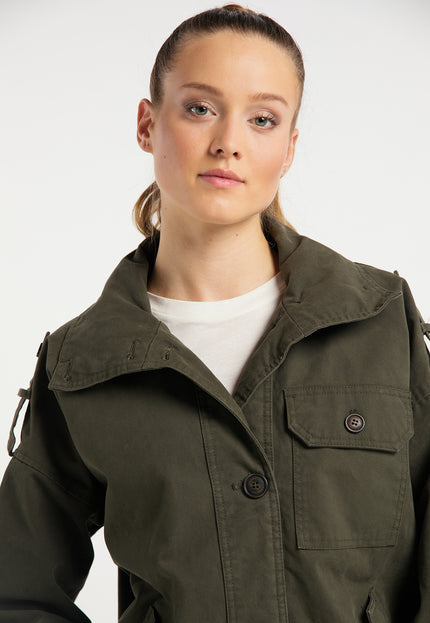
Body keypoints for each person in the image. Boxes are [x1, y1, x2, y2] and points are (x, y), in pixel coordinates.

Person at [0, 4, 429, 622]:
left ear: (289, 147)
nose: (229, 142)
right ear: (147, 124)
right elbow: (17, 591)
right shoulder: (82, 365)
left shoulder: (378, 321)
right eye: (200, 108)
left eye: (262, 119)